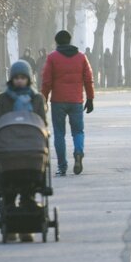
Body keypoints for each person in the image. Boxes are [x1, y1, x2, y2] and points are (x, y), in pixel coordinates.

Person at [0, 60, 48, 242]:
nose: (20, 81)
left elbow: (43, 123)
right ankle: (11, 225)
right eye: (16, 78)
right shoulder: (3, 99)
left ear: (29, 79)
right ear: (11, 79)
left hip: (31, 152)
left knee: (28, 190)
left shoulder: (37, 99)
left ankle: (26, 228)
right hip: (9, 152)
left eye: (23, 78)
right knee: (9, 191)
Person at [40, 30, 95, 176]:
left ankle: (62, 166)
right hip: (76, 100)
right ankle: (78, 152)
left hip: (58, 101)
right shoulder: (81, 57)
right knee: (78, 131)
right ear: (70, 41)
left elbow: (46, 81)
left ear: (57, 42)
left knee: (59, 134)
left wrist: (43, 99)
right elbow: (88, 79)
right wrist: (90, 98)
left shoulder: (52, 58)